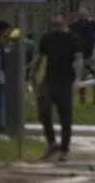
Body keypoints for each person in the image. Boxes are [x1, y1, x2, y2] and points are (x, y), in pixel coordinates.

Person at [32, 12, 83, 162]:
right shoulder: (47, 39)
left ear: (65, 23)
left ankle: (64, 149)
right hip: (48, 82)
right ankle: (52, 143)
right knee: (43, 111)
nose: (56, 28)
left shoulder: (73, 39)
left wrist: (78, 79)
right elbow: (40, 57)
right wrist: (32, 73)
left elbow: (78, 60)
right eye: (53, 25)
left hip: (65, 83)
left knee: (65, 118)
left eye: (59, 25)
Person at [69, 8, 95, 105]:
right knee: (83, 78)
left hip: (88, 55)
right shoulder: (77, 25)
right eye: (82, 15)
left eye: (84, 15)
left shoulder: (88, 24)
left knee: (93, 77)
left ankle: (93, 97)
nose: (83, 17)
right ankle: (84, 98)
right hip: (82, 55)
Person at [0, 21, 9, 135]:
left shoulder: (1, 41)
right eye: (6, 30)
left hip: (0, 74)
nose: (7, 32)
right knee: (0, 101)